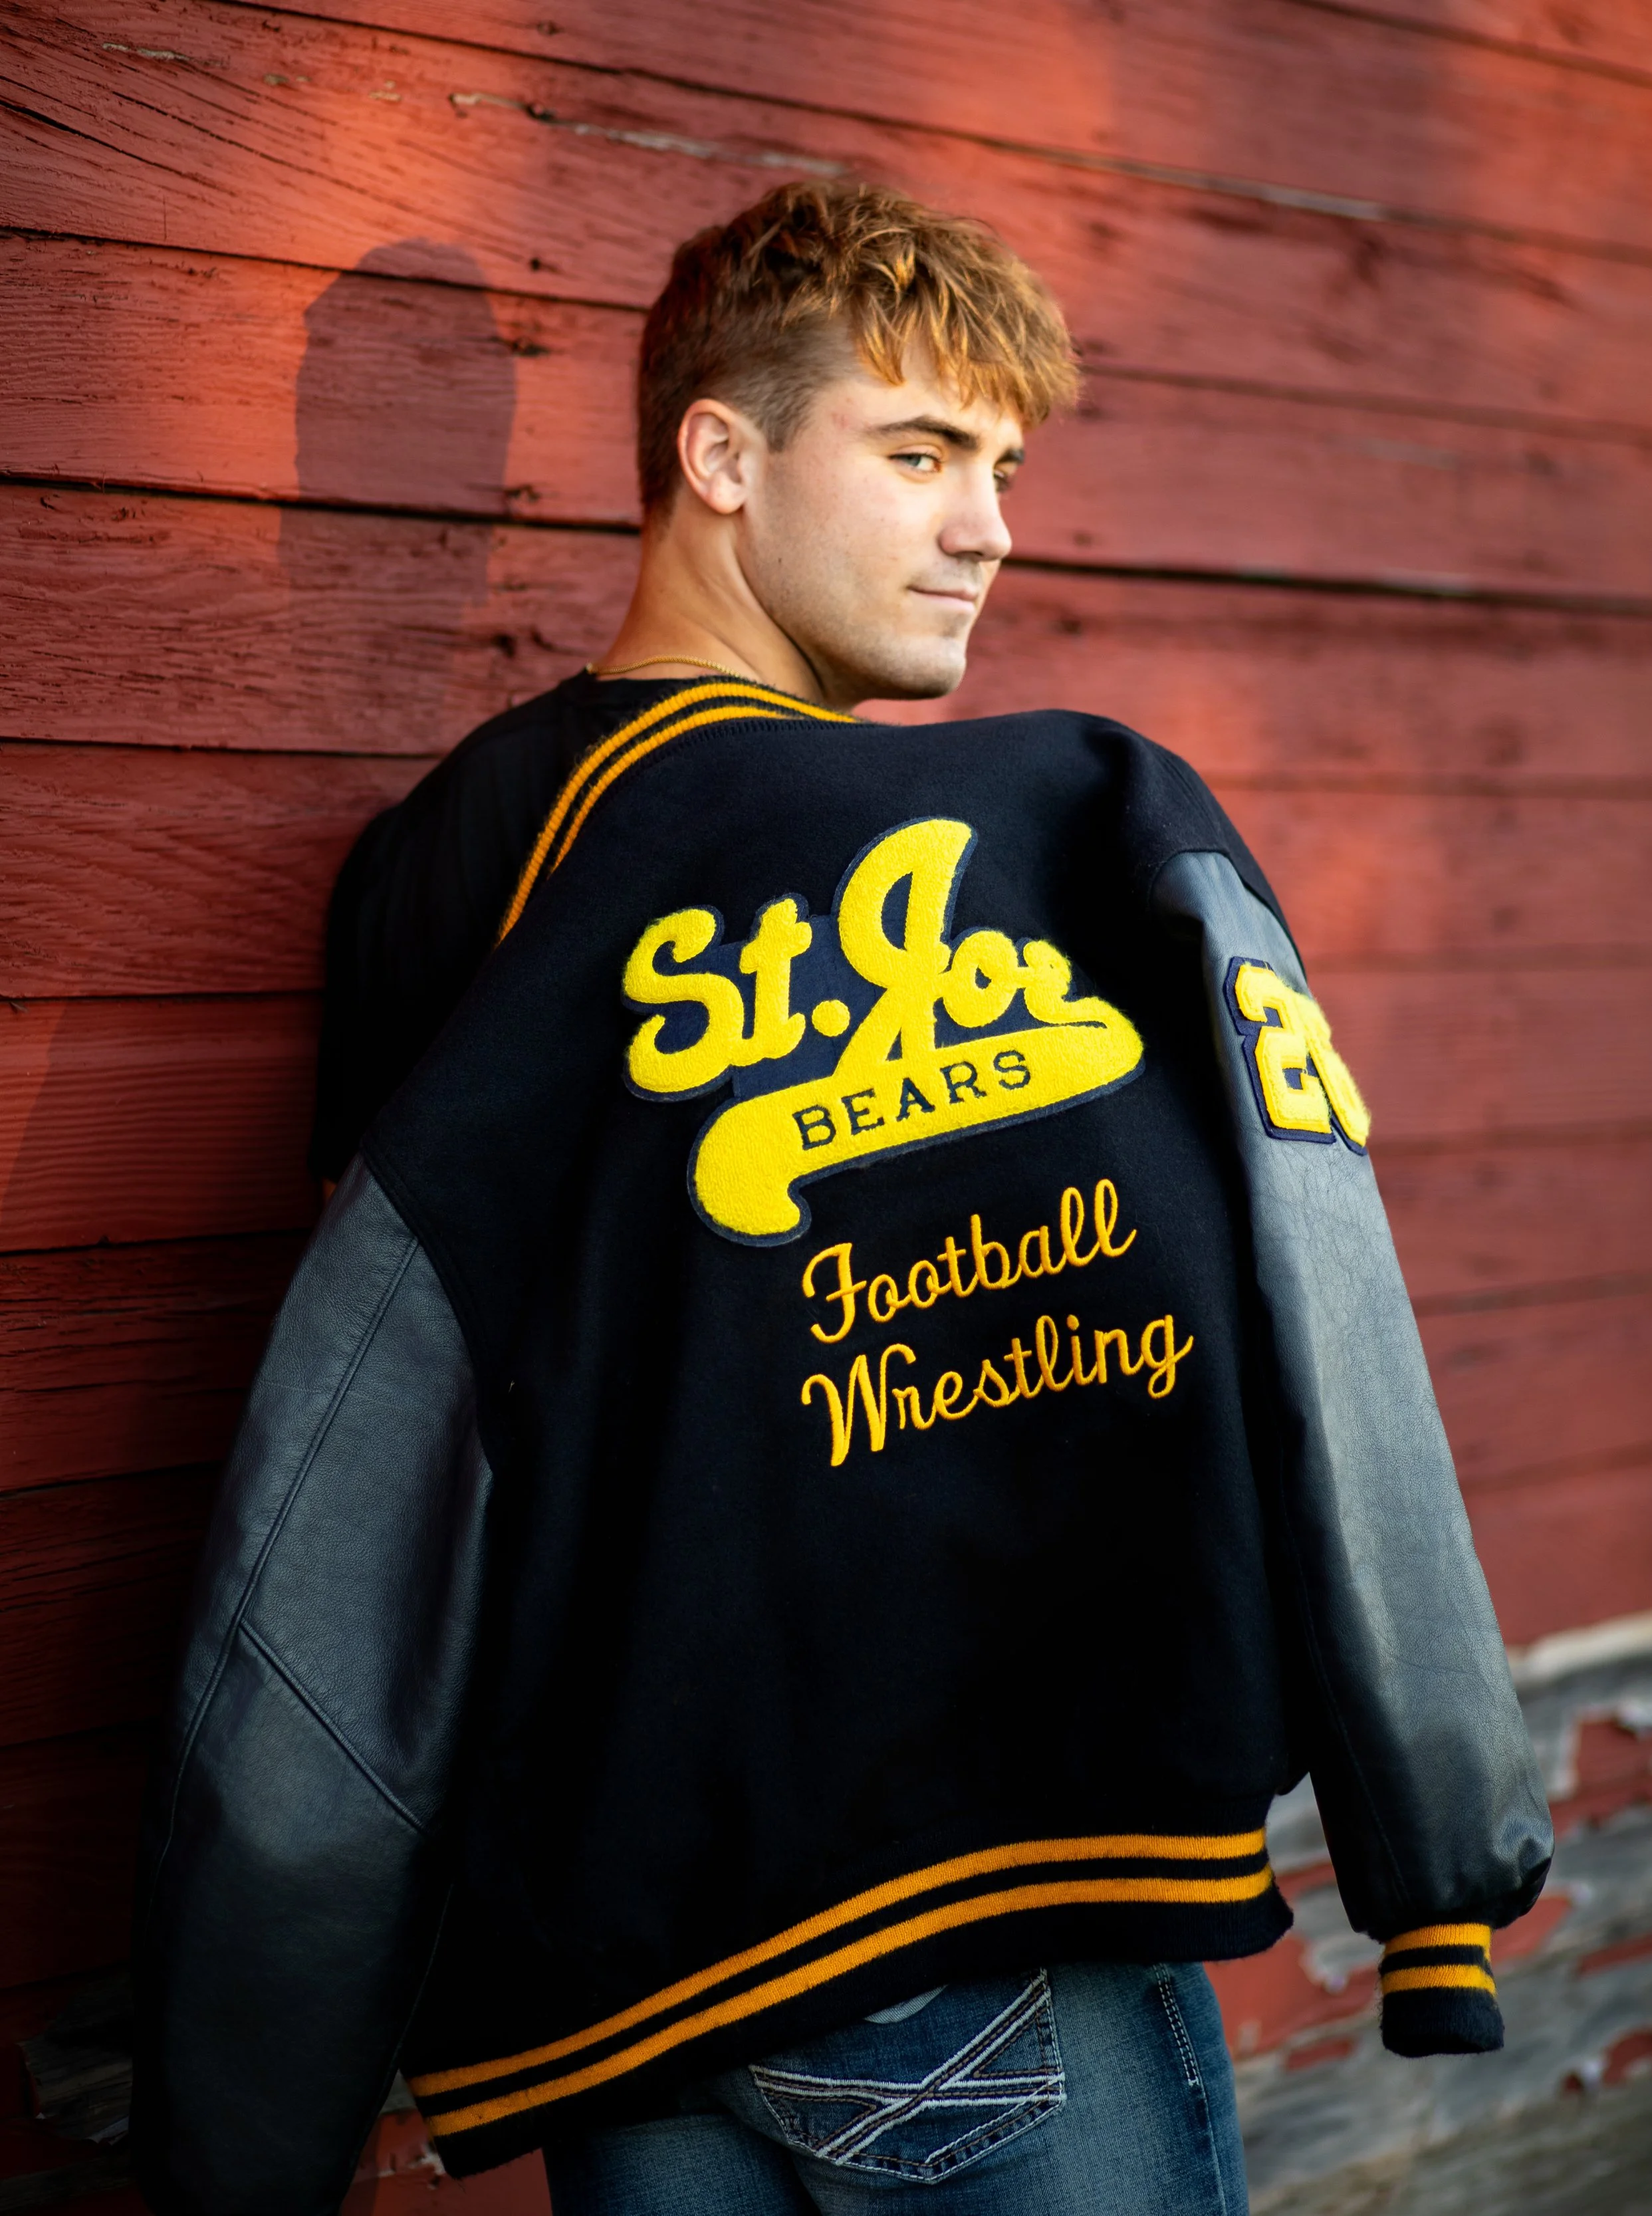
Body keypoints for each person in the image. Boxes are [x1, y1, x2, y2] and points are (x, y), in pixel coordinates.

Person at [132, 183, 1551, 2216]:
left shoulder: (425, 871)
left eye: (1003, 470)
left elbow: (362, 1512)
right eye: (918, 452)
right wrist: (1438, 1860)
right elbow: (1328, 1320)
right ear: (720, 454)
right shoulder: (1049, 836)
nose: (988, 527)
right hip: (977, 1928)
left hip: (617, 1996)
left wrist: (271, 2080)